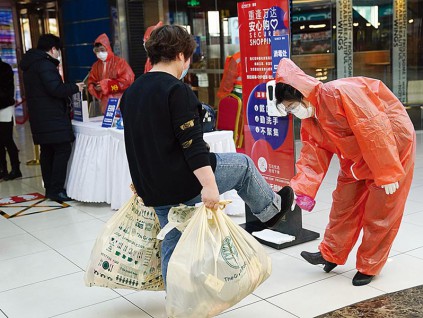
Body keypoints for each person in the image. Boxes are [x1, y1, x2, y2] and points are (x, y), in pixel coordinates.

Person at [120, 25, 294, 285]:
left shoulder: (132, 92)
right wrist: (209, 185)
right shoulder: (176, 91)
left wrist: (140, 180)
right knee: (243, 164)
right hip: (181, 180)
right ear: (180, 55)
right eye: (188, 57)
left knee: (172, 237)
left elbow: (134, 141)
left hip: (153, 185)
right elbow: (192, 144)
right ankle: (270, 211)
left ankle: (177, 300)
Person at [272, 58, 416, 286]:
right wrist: (301, 190)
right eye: (288, 109)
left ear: (303, 93)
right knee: (343, 204)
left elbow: (373, 127)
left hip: (393, 146)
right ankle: (331, 254)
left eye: (292, 106)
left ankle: (369, 264)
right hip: (355, 156)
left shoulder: (338, 93)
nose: (293, 111)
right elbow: (312, 155)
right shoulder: (312, 118)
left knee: (381, 211)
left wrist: (387, 171)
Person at [20, 33, 85, 201]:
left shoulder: (31, 64)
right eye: (58, 51)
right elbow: (55, 89)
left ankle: (50, 188)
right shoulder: (45, 65)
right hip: (52, 116)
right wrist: (75, 87)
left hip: (41, 117)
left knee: (47, 151)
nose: (58, 55)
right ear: (53, 49)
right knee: (62, 149)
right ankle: (57, 189)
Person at [87, 33, 134, 114]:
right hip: (104, 105)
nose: (100, 53)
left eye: (102, 50)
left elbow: (127, 81)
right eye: (97, 51)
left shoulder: (120, 62)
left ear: (108, 48)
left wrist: (107, 85)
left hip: (120, 103)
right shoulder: (96, 66)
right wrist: (94, 87)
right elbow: (91, 81)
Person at [0, 58, 21, 180]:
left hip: (5, 107)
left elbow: (7, 90)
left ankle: (16, 169)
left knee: (7, 140)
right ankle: (3, 169)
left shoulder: (5, 68)